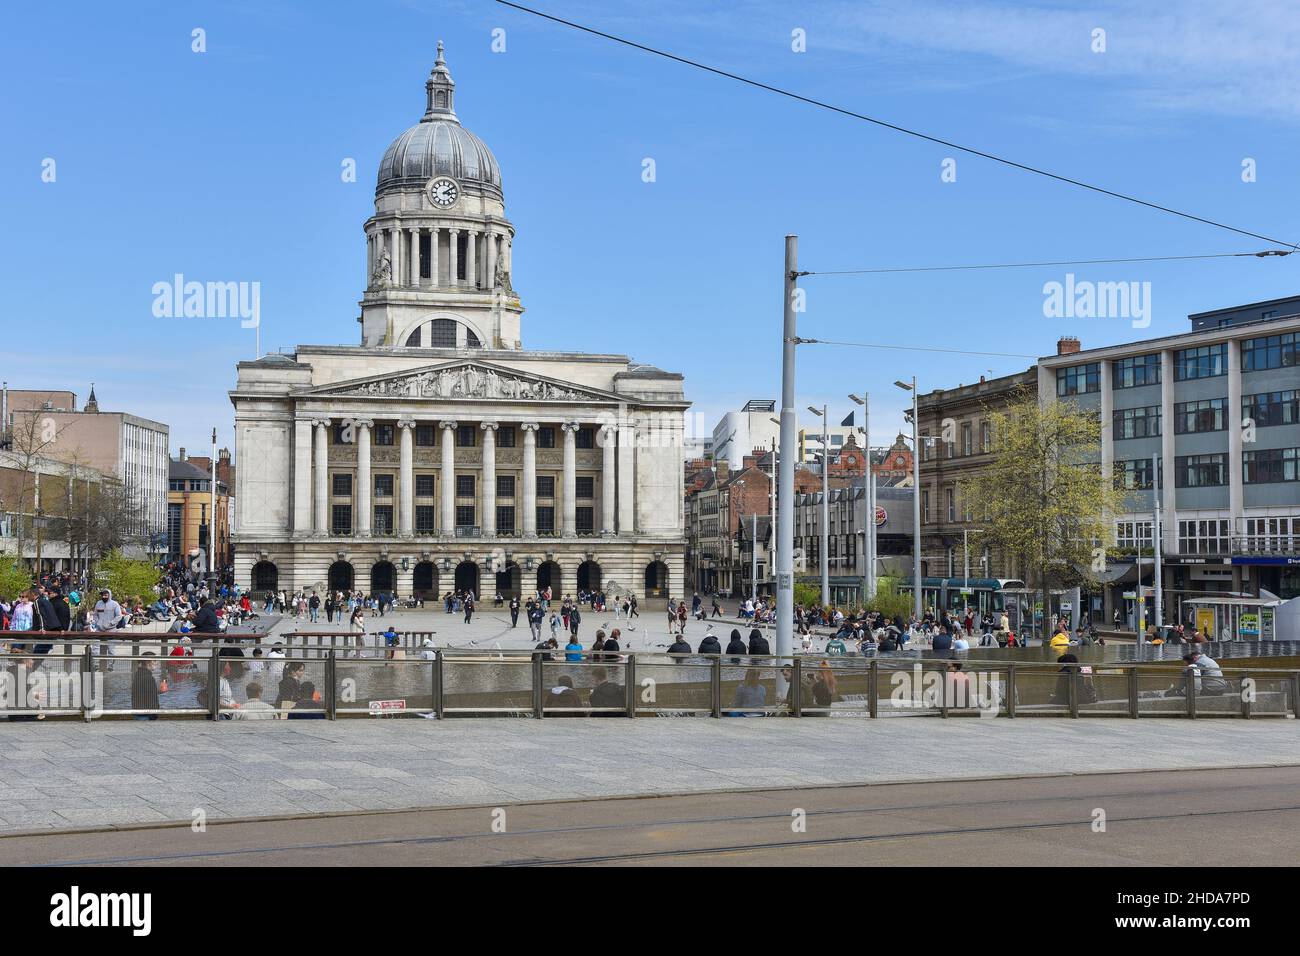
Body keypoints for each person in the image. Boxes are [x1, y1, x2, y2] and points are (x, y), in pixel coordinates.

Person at [131, 653, 161, 718]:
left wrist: (158, 691)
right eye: (155, 660)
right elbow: (151, 700)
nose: (157, 663)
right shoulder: (148, 678)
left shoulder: (138, 675)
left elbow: (143, 693)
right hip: (146, 716)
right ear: (148, 662)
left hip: (139, 713)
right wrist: (154, 715)